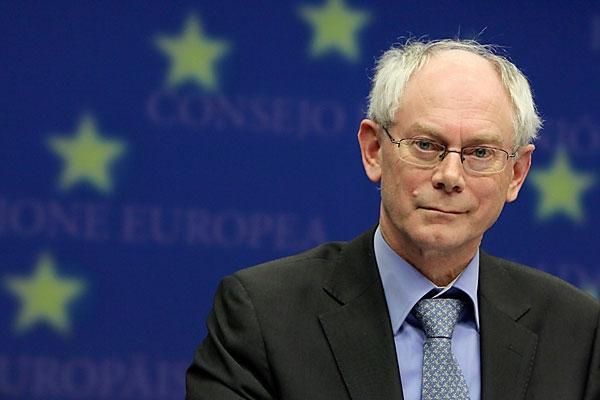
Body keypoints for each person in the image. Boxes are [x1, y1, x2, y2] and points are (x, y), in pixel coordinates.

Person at [186, 39, 600, 400]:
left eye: (480, 153)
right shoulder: (263, 316)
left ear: (516, 173)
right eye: (426, 145)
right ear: (373, 150)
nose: (450, 176)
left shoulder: (577, 332)